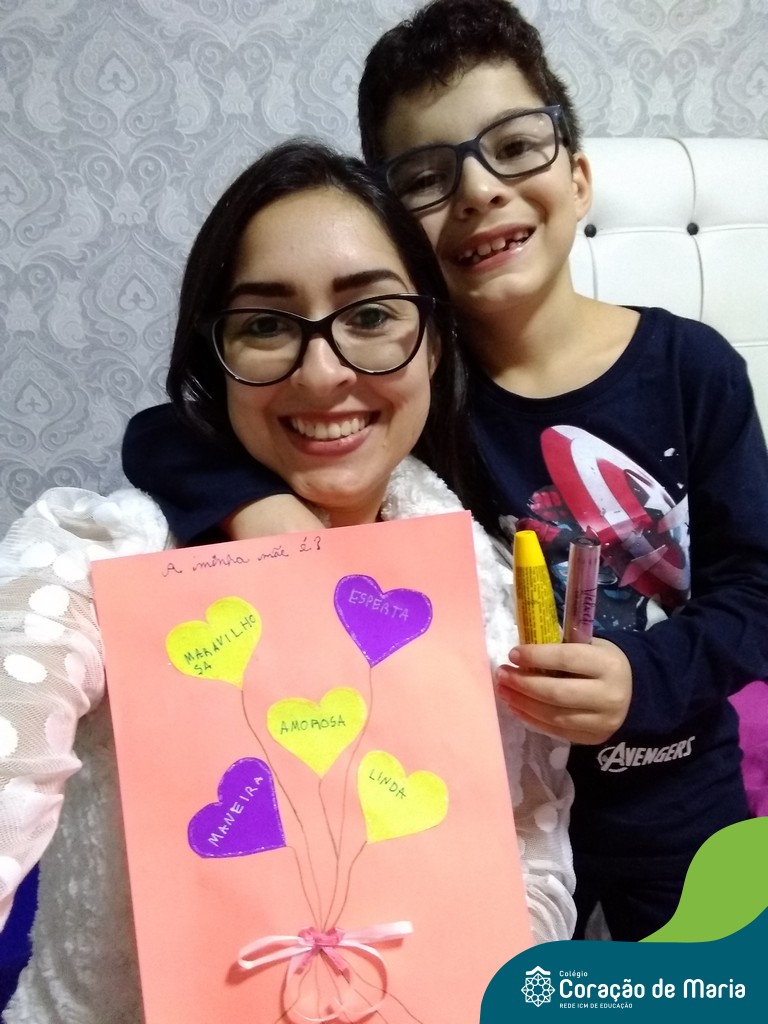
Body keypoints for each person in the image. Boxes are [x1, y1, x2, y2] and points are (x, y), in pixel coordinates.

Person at [122, 0, 768, 943]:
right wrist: (255, 505)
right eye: (427, 177)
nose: (478, 192)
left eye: (515, 146)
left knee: (706, 991)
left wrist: (644, 676)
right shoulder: (402, 388)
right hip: (481, 798)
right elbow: (166, 431)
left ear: (578, 175)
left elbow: (756, 588)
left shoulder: (691, 367)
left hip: (673, 788)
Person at [0, 140, 576, 1024]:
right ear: (217, 357)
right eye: (266, 326)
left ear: (433, 343)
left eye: (372, 315)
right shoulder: (104, 558)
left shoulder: (483, 587)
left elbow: (530, 850)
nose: (323, 373)